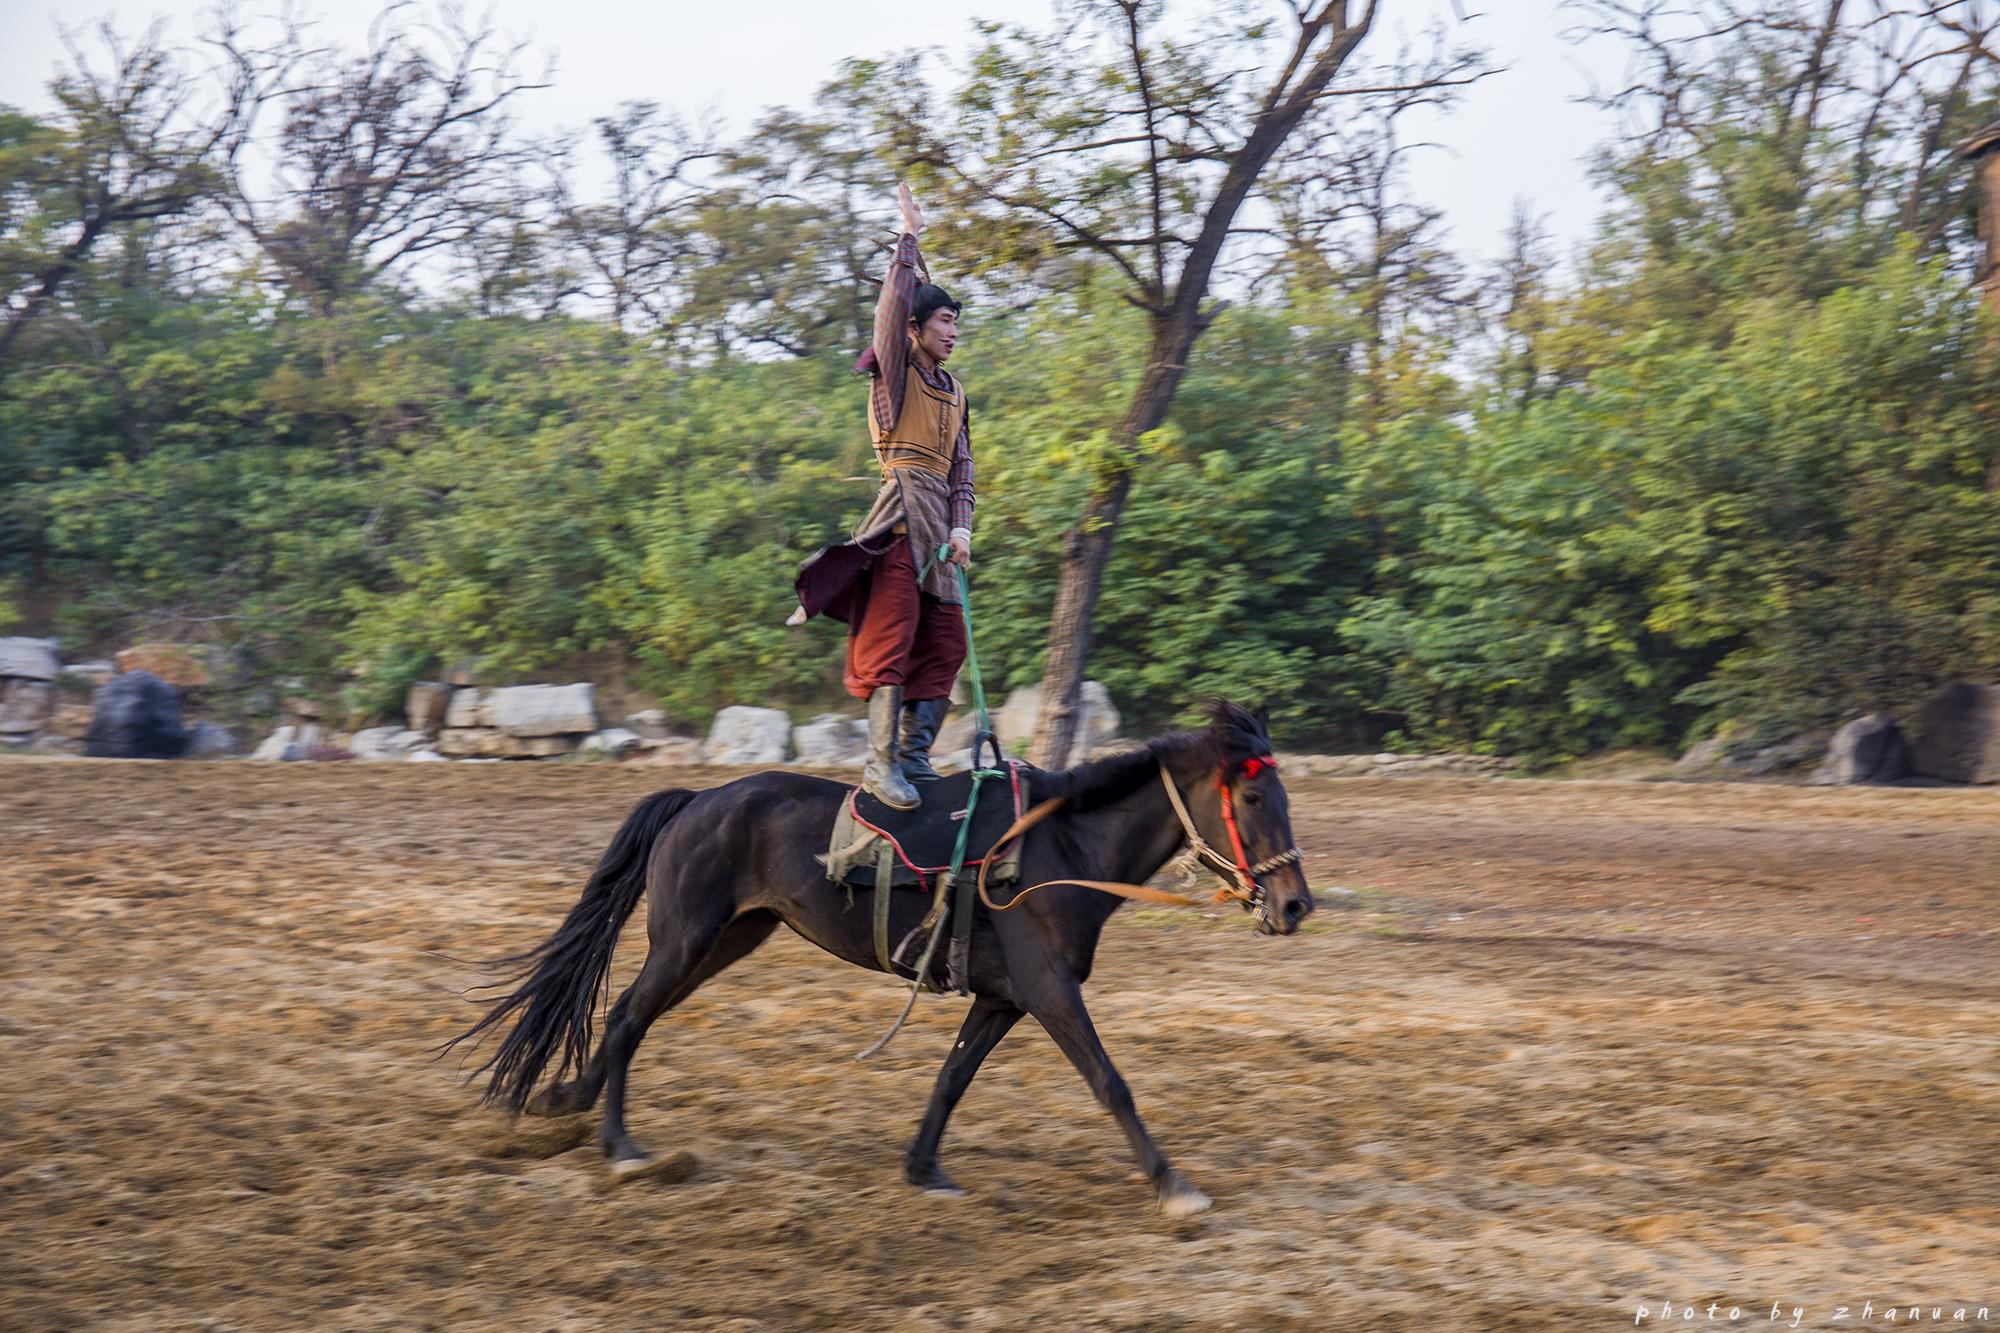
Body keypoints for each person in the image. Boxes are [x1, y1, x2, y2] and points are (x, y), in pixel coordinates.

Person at [789, 182, 973, 810]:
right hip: (898, 518)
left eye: (956, 321)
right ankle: (880, 764)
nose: (953, 331)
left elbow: (963, 470)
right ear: (917, 329)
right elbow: (890, 315)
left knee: (947, 640)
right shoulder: (893, 375)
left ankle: (917, 757)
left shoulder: (956, 391)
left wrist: (963, 528)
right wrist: (909, 239)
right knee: (890, 637)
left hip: (940, 527)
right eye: (944, 320)